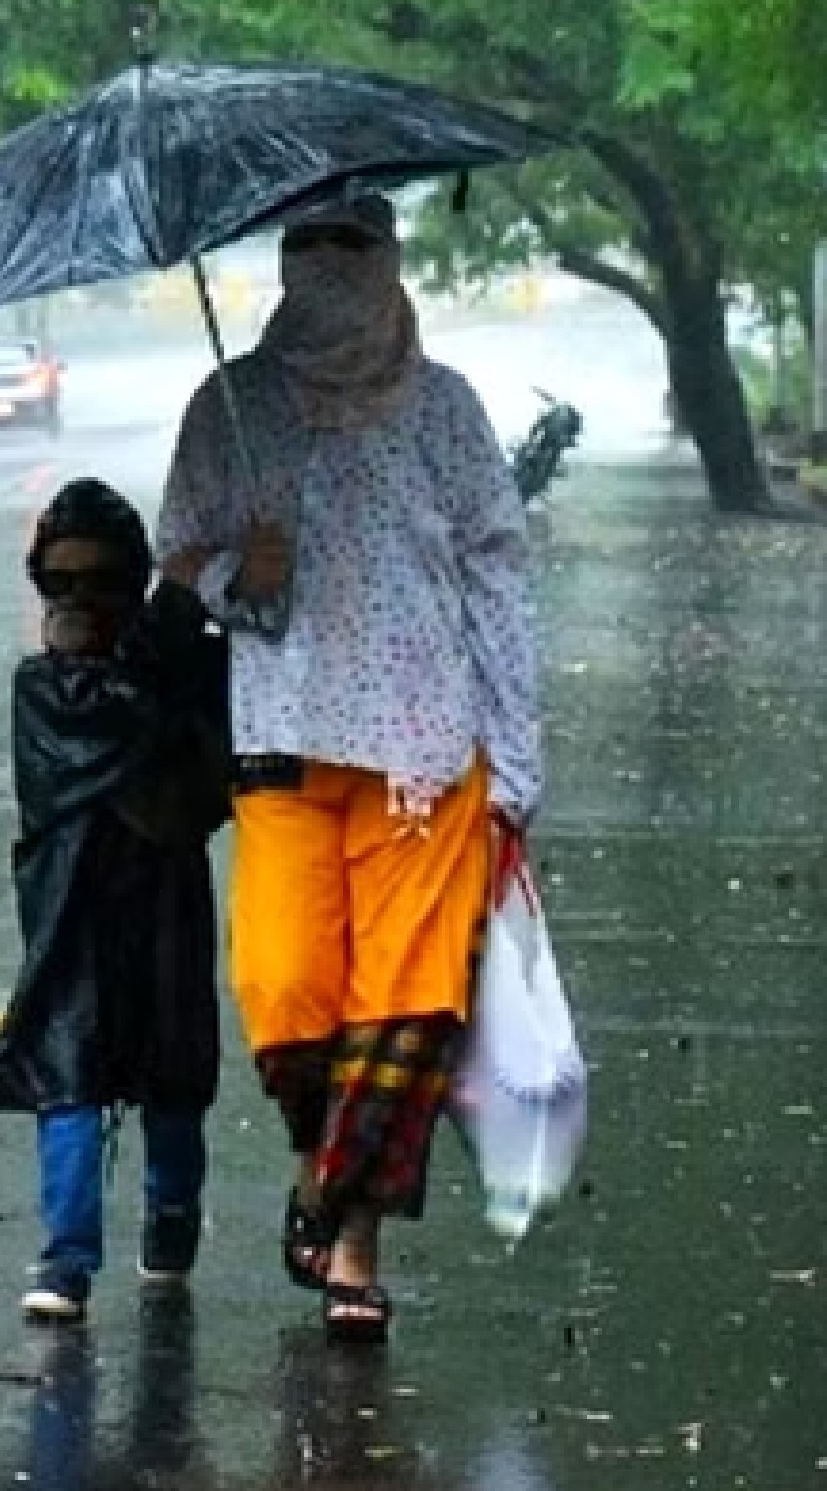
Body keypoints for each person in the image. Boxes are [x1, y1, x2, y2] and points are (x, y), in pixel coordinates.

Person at [156, 190, 542, 1346]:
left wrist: (517, 763)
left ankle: (356, 1244)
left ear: (388, 256)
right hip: (280, 744)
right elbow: (178, 555)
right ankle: (317, 1170)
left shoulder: (446, 409)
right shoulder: (231, 408)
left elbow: (497, 579)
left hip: (429, 760)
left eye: (351, 243)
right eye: (306, 243)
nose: (328, 263)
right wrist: (239, 575)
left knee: (403, 1011)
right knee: (286, 991)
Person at [0, 477, 230, 1324]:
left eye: (100, 581)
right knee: (70, 1077)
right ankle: (67, 1256)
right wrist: (166, 631)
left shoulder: (190, 668)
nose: (80, 601)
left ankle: (173, 1218)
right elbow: (114, 726)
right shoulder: (42, 689)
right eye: (61, 582)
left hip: (165, 904)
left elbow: (195, 779)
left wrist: (177, 631)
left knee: (174, 1079)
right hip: (73, 910)